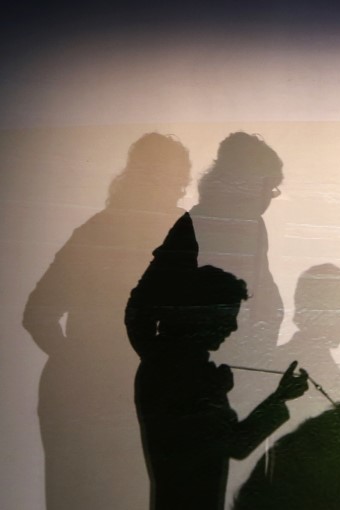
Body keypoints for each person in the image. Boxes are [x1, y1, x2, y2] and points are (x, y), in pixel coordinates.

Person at [22, 133, 191, 510]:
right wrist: (79, 364)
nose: (173, 191)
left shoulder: (111, 228)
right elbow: (38, 312)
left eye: (178, 181)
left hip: (121, 393)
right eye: (165, 179)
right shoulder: (101, 231)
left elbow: (37, 313)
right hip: (91, 399)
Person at [127, 264, 308, 510]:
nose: (233, 327)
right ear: (202, 316)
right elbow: (236, 443)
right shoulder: (183, 374)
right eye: (227, 316)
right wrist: (277, 398)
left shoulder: (168, 365)